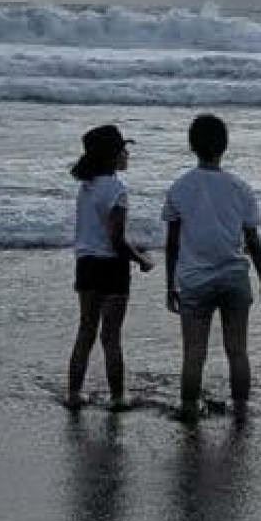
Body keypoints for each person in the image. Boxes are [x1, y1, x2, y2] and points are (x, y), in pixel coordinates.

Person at [162, 114, 261, 421]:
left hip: (195, 280)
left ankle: (187, 410)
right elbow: (253, 240)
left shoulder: (180, 188)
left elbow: (172, 244)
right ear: (224, 146)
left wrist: (170, 285)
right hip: (234, 277)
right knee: (237, 351)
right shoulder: (240, 187)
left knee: (194, 355)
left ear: (191, 146)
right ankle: (240, 409)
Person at [64, 124, 152, 411]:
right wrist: (141, 259)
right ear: (111, 156)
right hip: (112, 268)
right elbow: (115, 240)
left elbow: (99, 232)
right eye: (123, 150)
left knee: (86, 331)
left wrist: (132, 246)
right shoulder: (117, 189)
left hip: (86, 264)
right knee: (111, 336)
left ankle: (74, 394)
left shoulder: (86, 187)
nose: (127, 154)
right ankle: (117, 397)